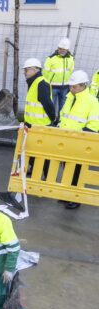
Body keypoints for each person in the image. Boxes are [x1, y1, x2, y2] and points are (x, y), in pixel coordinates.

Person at [58, 70, 99, 209]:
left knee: (77, 172)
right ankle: (67, 195)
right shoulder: (70, 97)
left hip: (80, 143)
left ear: (83, 86)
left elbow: (94, 126)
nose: (71, 89)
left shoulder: (92, 102)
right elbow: (64, 116)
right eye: (71, 86)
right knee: (67, 169)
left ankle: (76, 198)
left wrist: (79, 137)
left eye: (74, 86)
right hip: (67, 140)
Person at [43, 37, 74, 123]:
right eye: (60, 48)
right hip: (52, 87)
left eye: (64, 49)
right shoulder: (50, 59)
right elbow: (45, 73)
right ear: (58, 47)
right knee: (51, 106)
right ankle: (51, 122)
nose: (61, 50)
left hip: (65, 87)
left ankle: (60, 123)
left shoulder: (71, 58)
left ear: (67, 49)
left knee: (63, 107)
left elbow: (70, 71)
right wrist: (47, 85)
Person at [23, 58, 55, 126]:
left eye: (26, 70)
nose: (24, 73)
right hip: (32, 124)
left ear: (34, 70)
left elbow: (48, 105)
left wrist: (53, 119)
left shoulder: (41, 83)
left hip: (40, 125)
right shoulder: (34, 82)